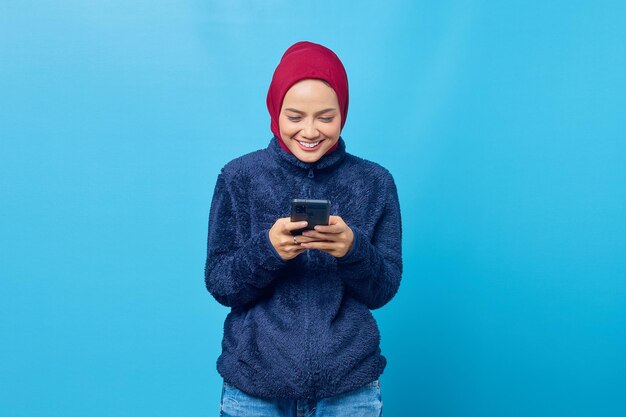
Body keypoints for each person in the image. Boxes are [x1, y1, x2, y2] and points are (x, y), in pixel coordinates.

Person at [204, 41, 402, 417]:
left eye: (325, 117)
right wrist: (268, 251)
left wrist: (352, 250)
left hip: (349, 387)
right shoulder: (238, 178)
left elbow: (383, 289)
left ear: (343, 113)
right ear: (275, 111)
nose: (310, 131)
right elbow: (220, 283)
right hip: (254, 387)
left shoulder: (375, 183)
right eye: (295, 116)